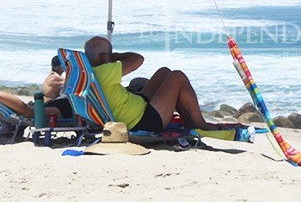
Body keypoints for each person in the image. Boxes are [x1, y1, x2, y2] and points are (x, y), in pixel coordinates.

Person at [84, 36, 223, 133]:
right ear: (103, 57)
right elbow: (138, 59)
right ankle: (200, 124)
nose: (112, 57)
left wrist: (111, 56)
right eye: (110, 54)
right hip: (143, 122)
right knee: (177, 76)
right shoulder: (102, 72)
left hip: (135, 109)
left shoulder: (88, 73)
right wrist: (118, 56)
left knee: (164, 72)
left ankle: (190, 120)